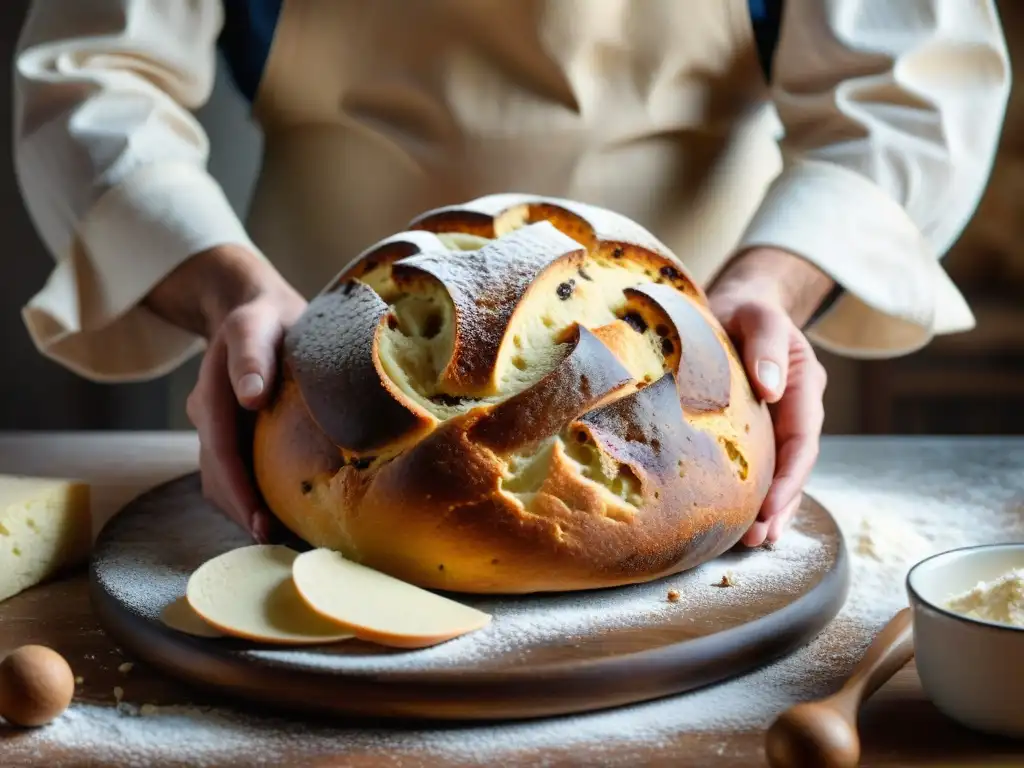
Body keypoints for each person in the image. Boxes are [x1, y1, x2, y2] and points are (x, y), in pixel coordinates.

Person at [12, 1, 1010, 548]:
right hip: (314, 361)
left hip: (678, 367)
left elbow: (907, 91)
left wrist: (771, 290)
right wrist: (231, 293)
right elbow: (94, 79)